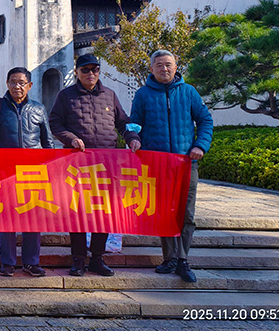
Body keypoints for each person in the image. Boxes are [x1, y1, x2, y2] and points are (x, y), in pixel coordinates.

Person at [48, 54, 141, 277]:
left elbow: (123, 122)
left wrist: (132, 138)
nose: (91, 74)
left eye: (95, 69)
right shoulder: (66, 96)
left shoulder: (109, 95)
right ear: (77, 72)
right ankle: (78, 259)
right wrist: (71, 138)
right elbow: (55, 123)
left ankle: (97, 258)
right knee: (78, 211)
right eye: (86, 70)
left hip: (107, 164)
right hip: (78, 164)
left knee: (103, 212)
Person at [131, 49, 213, 284]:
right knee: (164, 212)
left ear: (176, 67)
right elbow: (135, 124)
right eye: (159, 65)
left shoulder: (188, 92)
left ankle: (183, 259)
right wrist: (134, 139)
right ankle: (169, 258)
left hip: (186, 163)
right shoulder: (143, 94)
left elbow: (205, 120)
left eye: (168, 64)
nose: (164, 69)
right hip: (157, 165)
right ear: (151, 69)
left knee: (186, 213)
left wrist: (200, 145)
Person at [0, 67, 53, 277]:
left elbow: (47, 142)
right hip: (5, 173)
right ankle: (8, 262)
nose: (17, 86)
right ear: (7, 84)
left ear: (29, 85)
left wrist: (51, 168)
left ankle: (31, 262)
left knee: (33, 218)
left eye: (21, 83)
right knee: (7, 218)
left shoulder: (39, 109)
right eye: (13, 82)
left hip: (33, 173)